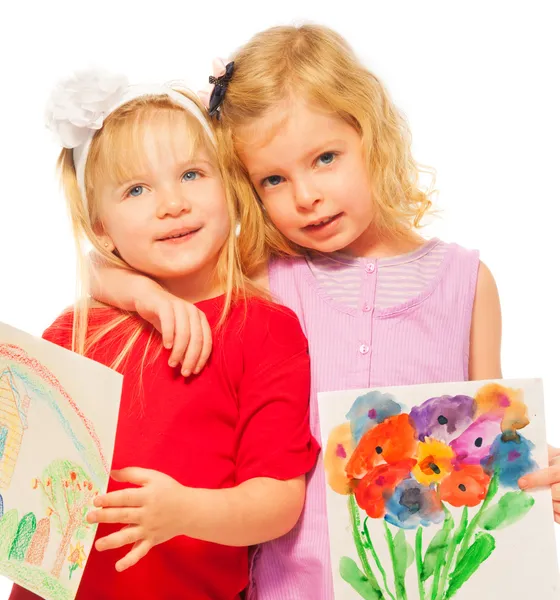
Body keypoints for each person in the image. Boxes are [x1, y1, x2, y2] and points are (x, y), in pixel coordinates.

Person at [89, 24, 560, 600]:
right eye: (274, 180)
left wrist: (540, 476)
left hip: (423, 582)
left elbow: (490, 438)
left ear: (372, 135)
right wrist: (148, 296)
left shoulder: (467, 282)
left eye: (325, 158)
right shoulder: (262, 274)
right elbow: (106, 265)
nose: (305, 195)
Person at [10, 69, 318, 600]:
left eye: (193, 174)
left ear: (230, 183)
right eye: (136, 189)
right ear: (100, 226)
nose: (171, 204)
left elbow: (277, 502)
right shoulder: (73, 331)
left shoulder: (263, 328)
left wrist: (183, 511)